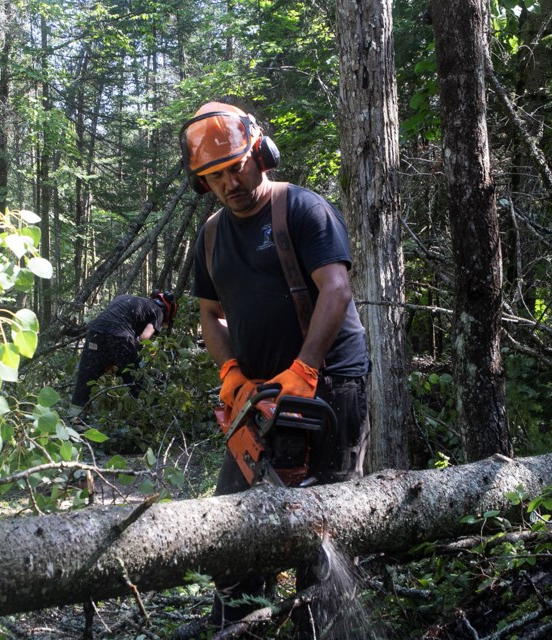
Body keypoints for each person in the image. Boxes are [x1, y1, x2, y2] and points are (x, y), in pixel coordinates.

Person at [182, 101, 370, 634]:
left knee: (324, 524)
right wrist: (231, 375)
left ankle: (326, 628)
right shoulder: (213, 236)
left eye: (235, 167)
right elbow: (210, 313)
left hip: (330, 386)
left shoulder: (304, 211)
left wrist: (305, 369)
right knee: (232, 526)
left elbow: (335, 288)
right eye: (214, 176)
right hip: (258, 396)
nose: (228, 183)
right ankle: (242, 623)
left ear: (260, 155)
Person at [71, 291, 177, 407]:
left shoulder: (127, 298)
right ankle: (149, 413)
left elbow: (108, 331)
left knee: (85, 378)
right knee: (136, 380)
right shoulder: (158, 311)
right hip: (120, 335)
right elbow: (144, 337)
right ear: (168, 311)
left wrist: (111, 358)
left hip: (95, 332)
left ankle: (75, 416)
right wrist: (135, 354)